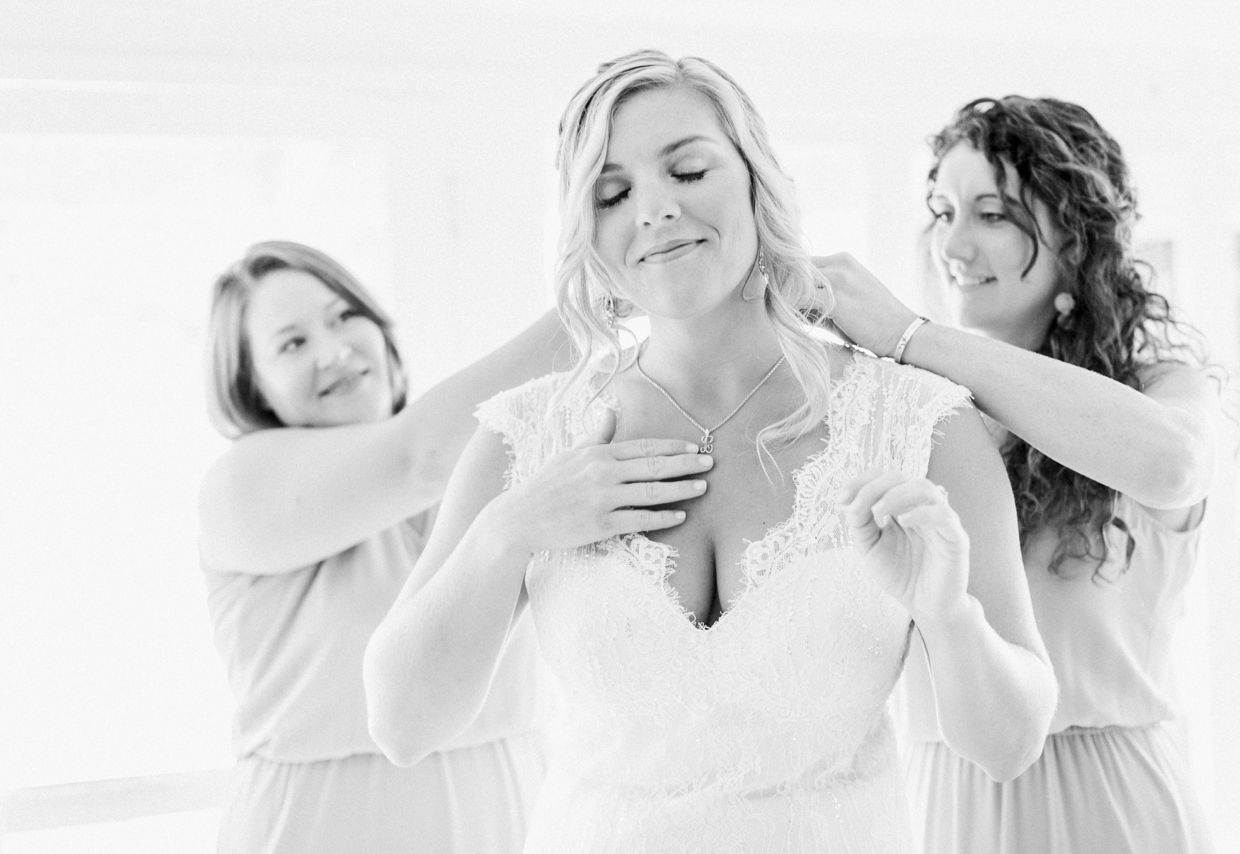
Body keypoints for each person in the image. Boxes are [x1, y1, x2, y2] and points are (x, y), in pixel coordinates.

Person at [363, 52, 1057, 853]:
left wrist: (948, 615)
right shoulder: (527, 435)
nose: (654, 210)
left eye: (687, 170)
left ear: (759, 182)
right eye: (613, 193)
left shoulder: (921, 425)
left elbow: (1008, 744)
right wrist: (509, 529)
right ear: (589, 233)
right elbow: (403, 724)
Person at [815, 96, 1223, 853]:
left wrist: (912, 335)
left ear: (1075, 235)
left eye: (992, 214)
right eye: (941, 211)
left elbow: (1174, 466)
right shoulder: (910, 409)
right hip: (943, 796)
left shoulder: (1160, 388)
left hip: (1111, 800)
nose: (953, 244)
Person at [198, 240, 569, 853]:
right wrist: (593, 304)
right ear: (252, 386)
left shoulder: (478, 465)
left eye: (344, 316)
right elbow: (414, 457)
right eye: (293, 343)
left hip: (508, 812)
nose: (334, 350)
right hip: (322, 830)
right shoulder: (243, 485)